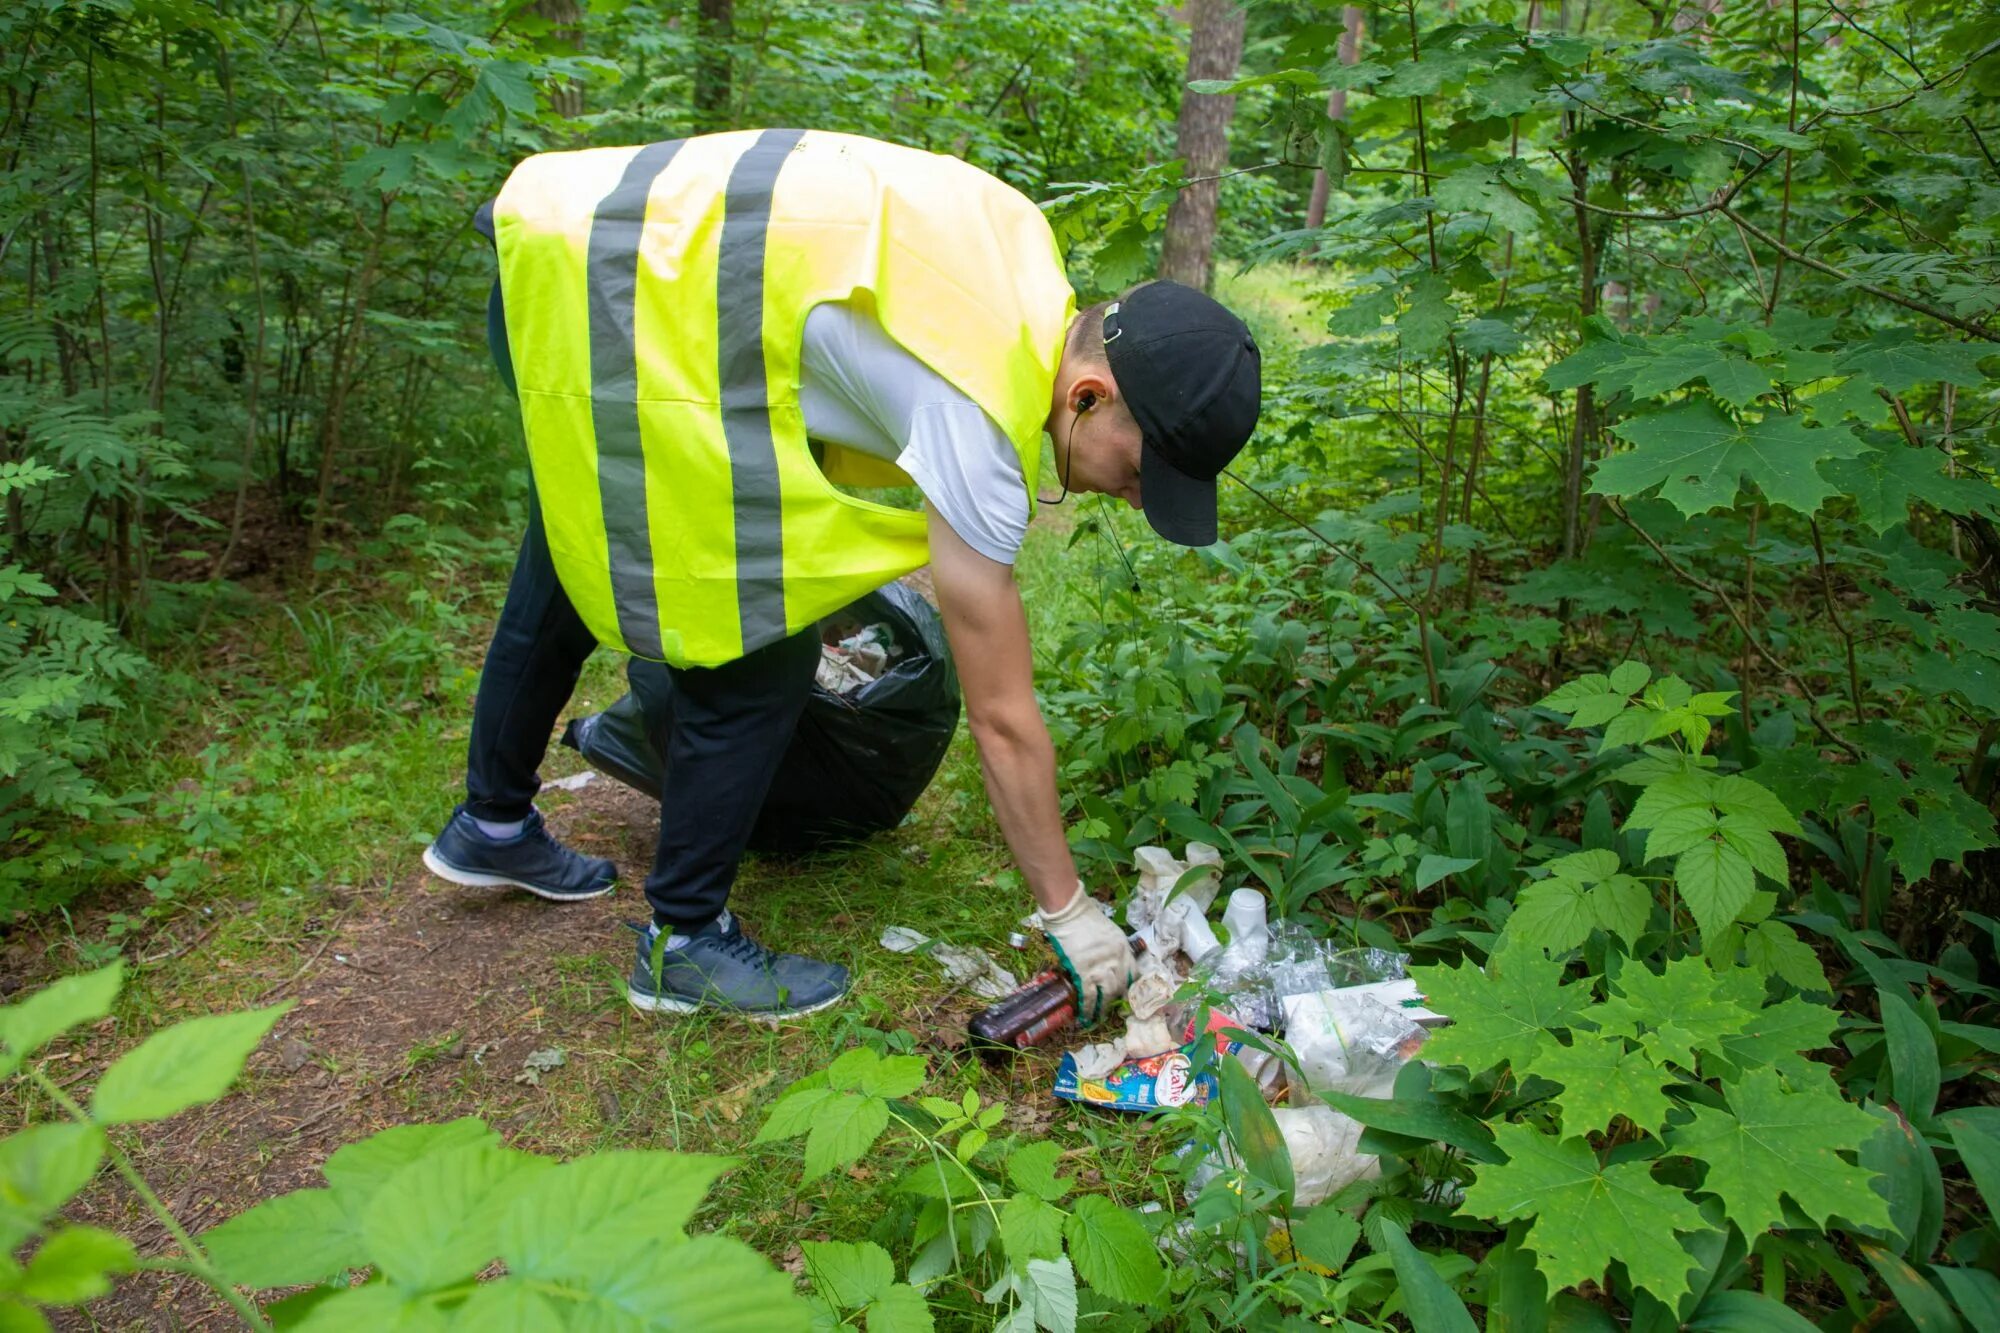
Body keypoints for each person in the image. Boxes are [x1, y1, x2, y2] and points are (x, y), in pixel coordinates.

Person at [423, 129, 1261, 1022]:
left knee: (575, 528)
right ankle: (685, 941)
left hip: (571, 243)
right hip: (614, 297)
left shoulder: (1019, 258)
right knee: (758, 636)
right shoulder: (970, 412)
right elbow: (1004, 720)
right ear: (1086, 394)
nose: (1134, 500)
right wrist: (1072, 912)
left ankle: (494, 823)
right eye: (1140, 475)